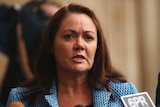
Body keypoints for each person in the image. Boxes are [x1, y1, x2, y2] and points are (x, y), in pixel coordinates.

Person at [6, 3, 138, 107]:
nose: (80, 45)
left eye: (88, 37)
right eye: (69, 36)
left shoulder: (126, 92)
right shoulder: (21, 99)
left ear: (97, 47)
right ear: (51, 44)